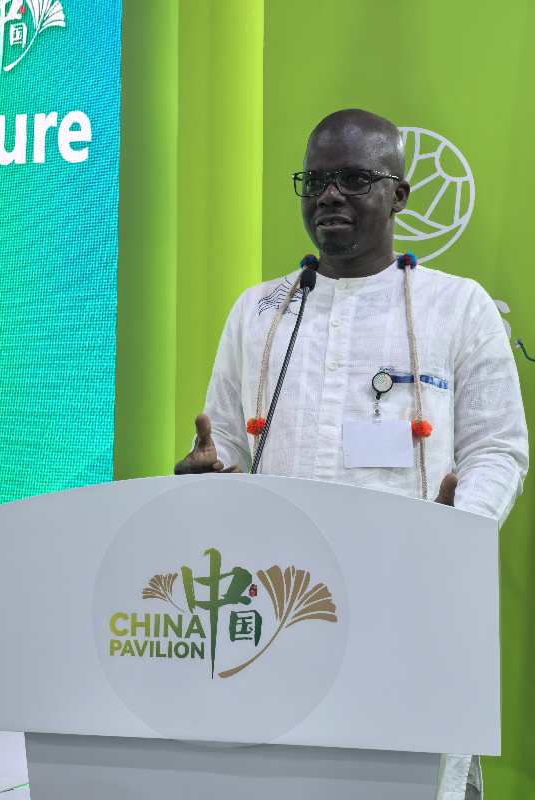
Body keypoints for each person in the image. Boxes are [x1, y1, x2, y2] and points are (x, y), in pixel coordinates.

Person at [174, 109, 529, 800]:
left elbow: (498, 448)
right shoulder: (259, 311)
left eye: (353, 179)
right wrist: (204, 476)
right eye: (315, 180)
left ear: (399, 195)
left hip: (412, 602)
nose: (329, 195)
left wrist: (457, 531)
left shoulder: (458, 307)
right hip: (276, 613)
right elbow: (229, 444)